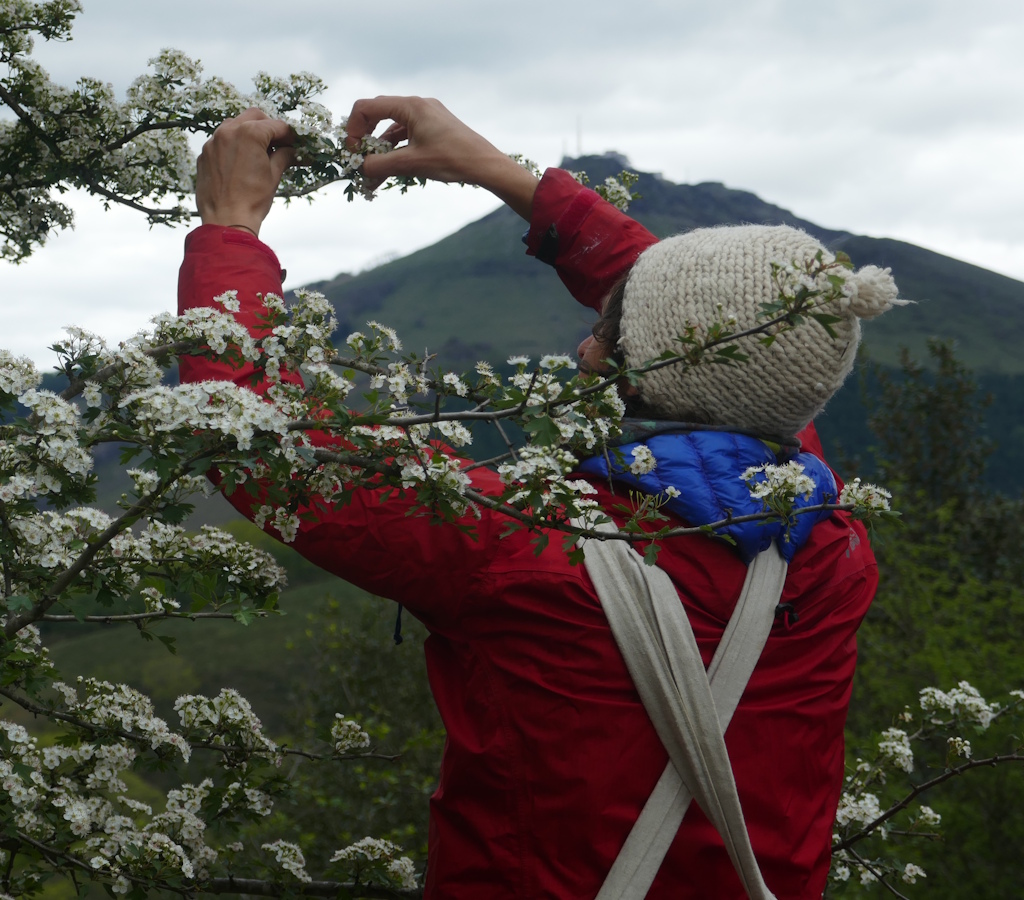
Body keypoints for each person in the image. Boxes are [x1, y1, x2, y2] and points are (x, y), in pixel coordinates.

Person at [180, 98, 895, 899]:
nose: (584, 345)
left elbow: (250, 437)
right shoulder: (828, 533)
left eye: (608, 333)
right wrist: (503, 175)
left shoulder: (520, 547)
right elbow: (725, 336)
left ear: (647, 373)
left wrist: (229, 229)